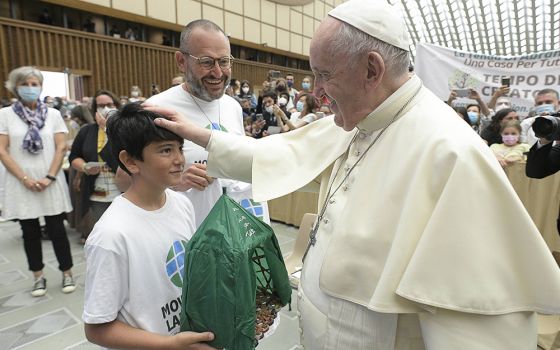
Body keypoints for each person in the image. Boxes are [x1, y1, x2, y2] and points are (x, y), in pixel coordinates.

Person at [151, 1, 560, 348]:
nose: (316, 92)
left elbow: (476, 324)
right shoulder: (367, 117)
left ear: (371, 70)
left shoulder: (450, 153)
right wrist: (200, 135)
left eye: (325, 75)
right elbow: (282, 153)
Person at [83, 103, 215, 350]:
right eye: (166, 151)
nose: (179, 160)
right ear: (130, 161)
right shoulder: (111, 235)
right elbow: (97, 328)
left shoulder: (181, 204)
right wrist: (170, 344)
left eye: (180, 148)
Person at [146, 19, 248, 228]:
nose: (218, 73)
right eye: (206, 62)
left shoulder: (233, 107)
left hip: (233, 234)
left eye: (225, 61)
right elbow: (125, 179)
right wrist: (174, 181)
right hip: (184, 236)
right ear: (181, 61)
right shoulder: (155, 109)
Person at [0, 66, 75, 297]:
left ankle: (67, 272)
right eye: (26, 84)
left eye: (35, 84)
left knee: (57, 230)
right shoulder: (5, 115)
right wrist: (25, 178)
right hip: (21, 182)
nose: (31, 88)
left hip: (50, 181)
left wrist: (49, 177)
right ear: (15, 87)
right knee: (29, 232)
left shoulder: (52, 114)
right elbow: (2, 151)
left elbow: (61, 146)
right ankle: (38, 276)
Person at [69, 90, 129, 243]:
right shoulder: (86, 131)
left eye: (109, 105)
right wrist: (84, 167)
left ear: (117, 106)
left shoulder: (125, 129)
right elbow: (74, 156)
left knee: (124, 232)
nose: (105, 109)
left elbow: (118, 160)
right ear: (94, 109)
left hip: (124, 190)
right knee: (103, 233)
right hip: (96, 192)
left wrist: (106, 129)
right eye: (101, 106)